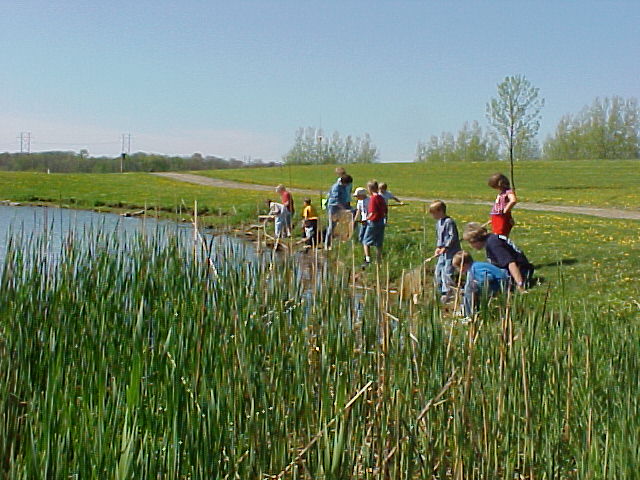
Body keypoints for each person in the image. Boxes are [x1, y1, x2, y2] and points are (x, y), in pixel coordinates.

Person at [463, 222, 534, 292]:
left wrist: (520, 284)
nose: (471, 246)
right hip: (511, 272)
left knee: (475, 267)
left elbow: (511, 263)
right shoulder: (491, 240)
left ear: (476, 240)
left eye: (470, 242)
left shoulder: (493, 244)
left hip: (519, 273)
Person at [452, 250, 508, 316]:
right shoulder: (474, 267)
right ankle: (467, 310)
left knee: (469, 288)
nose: (458, 270)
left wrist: (477, 284)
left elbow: (488, 278)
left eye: (457, 268)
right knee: (469, 287)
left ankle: (469, 314)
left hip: (498, 285)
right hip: (498, 283)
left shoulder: (475, 269)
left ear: (463, 265)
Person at [429, 200, 461, 303]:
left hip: (451, 252)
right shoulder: (439, 223)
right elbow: (439, 237)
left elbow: (453, 236)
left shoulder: (449, 222)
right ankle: (439, 290)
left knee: (447, 272)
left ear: (440, 211)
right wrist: (438, 247)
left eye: (434, 213)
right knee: (438, 270)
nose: (433, 216)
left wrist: (446, 247)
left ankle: (448, 292)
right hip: (442, 253)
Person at [361, 180, 387, 266]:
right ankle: (378, 260)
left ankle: (368, 259)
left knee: (365, 241)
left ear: (370, 189)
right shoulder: (381, 198)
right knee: (378, 243)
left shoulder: (373, 198)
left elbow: (372, 212)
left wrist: (365, 219)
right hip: (381, 222)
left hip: (373, 222)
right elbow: (385, 210)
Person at [324, 174, 353, 248]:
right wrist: (344, 209)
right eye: (348, 183)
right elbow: (336, 200)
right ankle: (327, 245)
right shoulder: (336, 187)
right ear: (344, 182)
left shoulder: (344, 187)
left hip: (342, 207)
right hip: (333, 208)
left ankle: (344, 242)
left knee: (344, 226)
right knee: (331, 226)